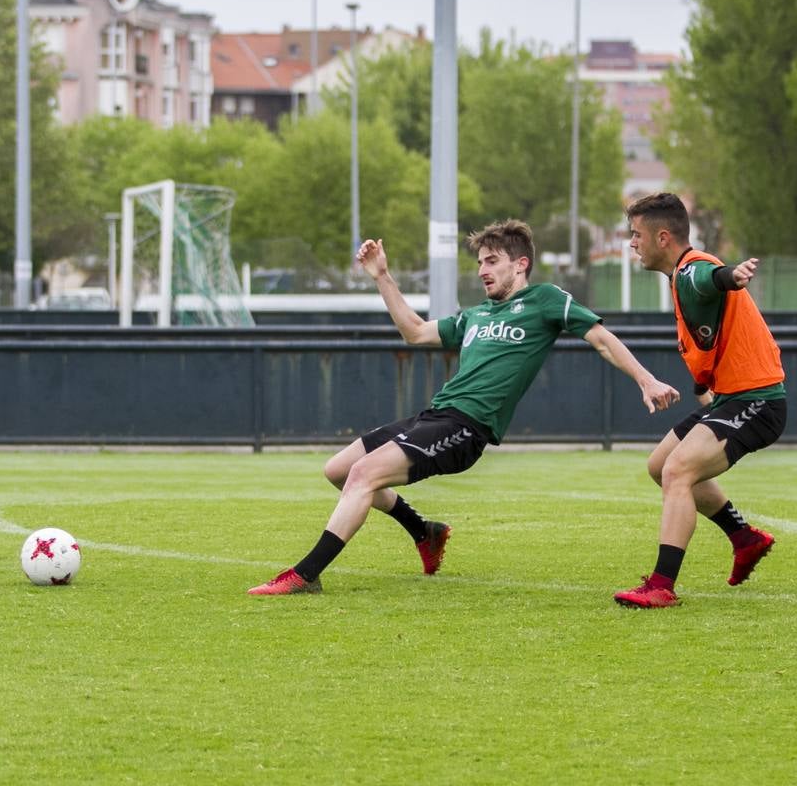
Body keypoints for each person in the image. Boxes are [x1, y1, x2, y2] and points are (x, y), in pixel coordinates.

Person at [248, 219, 681, 596]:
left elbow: (601, 338)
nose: (482, 270)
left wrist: (646, 378)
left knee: (362, 475)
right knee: (339, 470)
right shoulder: (475, 316)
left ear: (520, 264)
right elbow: (415, 333)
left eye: (491, 260)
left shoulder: (546, 300)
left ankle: (306, 575)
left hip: (467, 427)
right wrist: (382, 276)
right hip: (435, 416)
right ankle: (425, 531)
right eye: (479, 263)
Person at [615, 192, 785, 608]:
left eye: (636, 235)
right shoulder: (679, 278)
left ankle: (661, 585)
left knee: (677, 472)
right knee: (659, 466)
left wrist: (732, 275)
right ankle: (745, 539)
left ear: (663, 237)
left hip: (758, 400)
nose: (631, 243)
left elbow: (712, 279)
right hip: (730, 397)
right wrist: (701, 384)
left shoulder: (692, 269)